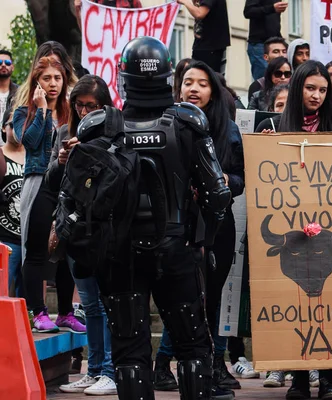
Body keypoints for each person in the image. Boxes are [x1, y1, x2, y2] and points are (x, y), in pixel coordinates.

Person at [74, 36, 233, 400]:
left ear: (123, 77)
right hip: (176, 248)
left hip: (120, 254)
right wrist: (202, 238)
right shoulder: (187, 122)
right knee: (192, 346)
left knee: (130, 353)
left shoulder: (98, 126)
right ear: (166, 75)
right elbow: (217, 195)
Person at [256, 60, 332, 399]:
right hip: (291, 231)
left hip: (327, 227)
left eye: (323, 90)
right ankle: (297, 378)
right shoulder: (275, 127)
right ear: (297, 89)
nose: (317, 95)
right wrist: (264, 147)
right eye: (311, 88)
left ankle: (331, 379)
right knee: (293, 301)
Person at [179, 60, 245, 394]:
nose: (194, 88)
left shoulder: (227, 129)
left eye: (202, 83)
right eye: (188, 81)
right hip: (178, 225)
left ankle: (213, 366)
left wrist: (223, 180)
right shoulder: (168, 124)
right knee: (183, 298)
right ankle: (184, 365)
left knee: (213, 299)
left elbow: (241, 180)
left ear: (213, 91)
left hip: (218, 224)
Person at [50, 75, 117, 395]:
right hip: (75, 229)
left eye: (92, 106)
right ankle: (94, 369)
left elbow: (119, 178)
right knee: (89, 304)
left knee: (105, 303)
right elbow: (51, 182)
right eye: (80, 106)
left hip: (104, 230)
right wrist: (63, 161)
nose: (85, 111)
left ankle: (109, 370)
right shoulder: (65, 131)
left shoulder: (114, 134)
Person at [13, 55, 85, 334]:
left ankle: (66, 312)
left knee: (67, 248)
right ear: (37, 82)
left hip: (68, 184)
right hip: (38, 182)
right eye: (47, 79)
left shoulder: (72, 111)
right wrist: (42, 110)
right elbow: (28, 141)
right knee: (36, 249)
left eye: (57, 78)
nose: (53, 84)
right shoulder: (24, 111)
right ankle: (38, 312)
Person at [0, 109, 24, 297]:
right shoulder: (0, 157)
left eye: (23, 123)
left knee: (28, 297)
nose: (17, 128)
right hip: (5, 238)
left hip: (30, 238)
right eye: (12, 124)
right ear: (3, 128)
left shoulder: (36, 157)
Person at [179, 0, 231, 75]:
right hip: (205, 46)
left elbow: (199, 13)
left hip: (210, 48)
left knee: (208, 79)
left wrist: (185, 2)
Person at [243, 0, 287, 81]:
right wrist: (272, 8)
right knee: (264, 81)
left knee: (277, 79)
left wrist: (280, 40)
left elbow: (273, 22)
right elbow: (248, 11)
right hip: (259, 44)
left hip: (275, 44)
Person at [247, 37, 288, 102]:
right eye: (276, 52)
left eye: (284, 51)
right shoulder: (257, 86)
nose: (281, 55)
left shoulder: (295, 83)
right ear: (266, 57)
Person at [0, 50, 18, 128]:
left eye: (7, 62)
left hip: (11, 139)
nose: (3, 65)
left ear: (12, 67)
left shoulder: (20, 93)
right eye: (0, 62)